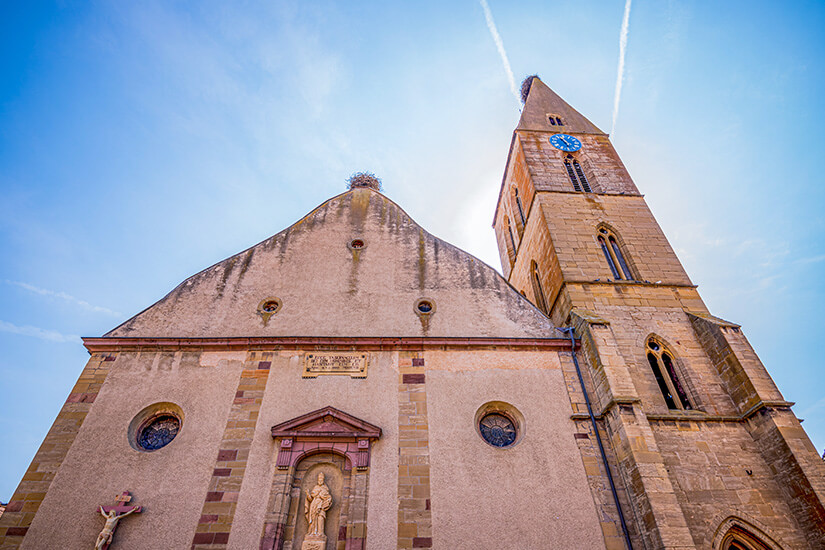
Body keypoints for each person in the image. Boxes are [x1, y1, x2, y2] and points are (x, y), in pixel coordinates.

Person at [304, 472, 332, 537]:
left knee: (321, 517)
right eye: (319, 479)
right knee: (313, 519)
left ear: (323, 480)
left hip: (321, 505)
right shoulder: (315, 487)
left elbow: (329, 498)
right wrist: (308, 494)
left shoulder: (325, 489)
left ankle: (320, 533)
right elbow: (310, 499)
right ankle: (312, 532)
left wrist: (323, 502)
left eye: (321, 479)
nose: (320, 480)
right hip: (314, 504)